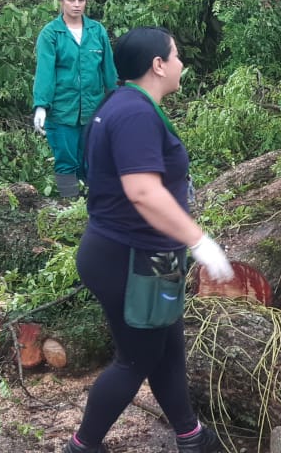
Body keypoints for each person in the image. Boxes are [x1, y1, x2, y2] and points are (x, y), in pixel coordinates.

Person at [63, 26, 234, 453]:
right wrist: (199, 241)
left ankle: (191, 437)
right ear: (158, 65)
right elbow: (143, 190)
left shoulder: (123, 104)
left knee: (166, 347)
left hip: (144, 257)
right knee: (135, 359)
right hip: (128, 259)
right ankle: (83, 446)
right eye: (176, 56)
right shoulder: (135, 114)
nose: (181, 64)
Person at [32, 0, 117, 198]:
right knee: (66, 160)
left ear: (86, 2)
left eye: (81, 0)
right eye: (71, 0)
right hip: (62, 110)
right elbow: (45, 71)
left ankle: (94, 207)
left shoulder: (96, 31)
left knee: (93, 159)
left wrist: (116, 98)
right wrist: (41, 106)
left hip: (93, 108)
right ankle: (69, 208)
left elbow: (108, 69)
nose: (76, 4)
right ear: (61, 2)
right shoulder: (51, 34)